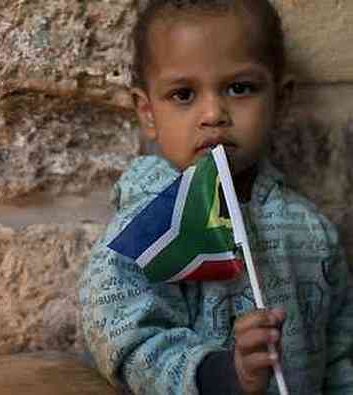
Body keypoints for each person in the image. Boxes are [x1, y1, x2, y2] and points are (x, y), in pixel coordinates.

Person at [80, 1, 353, 394]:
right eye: (183, 94)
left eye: (240, 88)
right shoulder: (145, 232)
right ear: (147, 112)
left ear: (282, 99)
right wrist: (225, 374)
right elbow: (127, 341)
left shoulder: (312, 230)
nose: (213, 113)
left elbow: (340, 354)